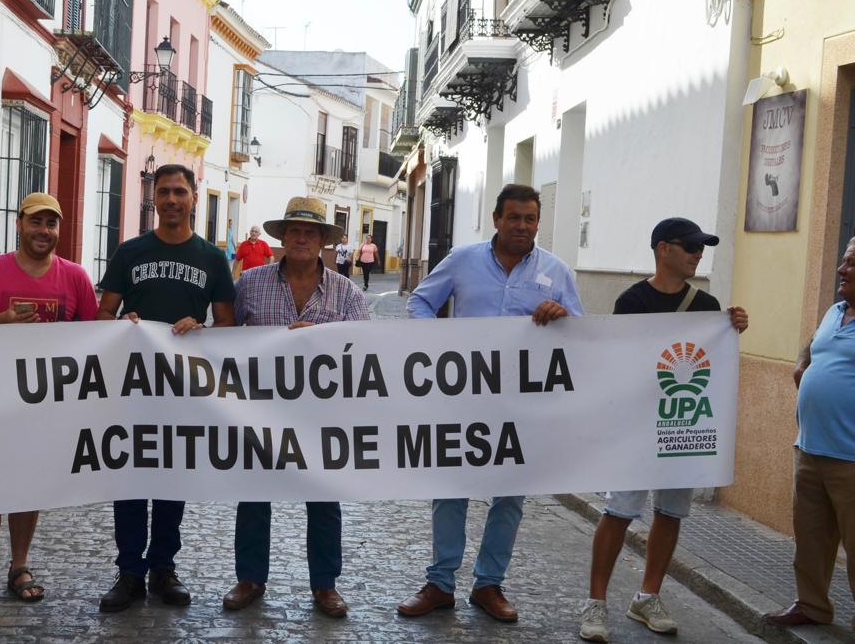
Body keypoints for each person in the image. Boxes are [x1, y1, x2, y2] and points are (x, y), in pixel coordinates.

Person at [397, 183, 583, 624]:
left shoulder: (556, 272)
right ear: (497, 219)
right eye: (514, 217)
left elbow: (580, 332)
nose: (522, 226)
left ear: (539, 222)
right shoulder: (463, 259)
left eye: (530, 219)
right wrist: (441, 343)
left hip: (521, 405)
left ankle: (488, 585)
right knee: (449, 491)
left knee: (509, 497)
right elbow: (421, 303)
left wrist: (563, 317)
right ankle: (440, 583)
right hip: (462, 399)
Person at [579, 217, 749, 642]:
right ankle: (595, 604)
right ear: (663, 250)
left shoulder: (708, 307)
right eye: (690, 247)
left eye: (701, 248)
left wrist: (733, 327)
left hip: (681, 424)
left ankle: (647, 596)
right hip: (637, 428)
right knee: (618, 512)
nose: (698, 254)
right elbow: (618, 362)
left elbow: (710, 362)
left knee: (671, 513)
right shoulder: (632, 301)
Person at [0, 192, 98, 611]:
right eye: (35, 222)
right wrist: (2, 322)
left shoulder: (76, 277)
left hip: (44, 407)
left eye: (51, 224)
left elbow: (94, 339)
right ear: (18, 224)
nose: (43, 231)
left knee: (28, 485)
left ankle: (20, 566)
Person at [95, 164, 236, 613]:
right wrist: (124, 325)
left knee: (173, 478)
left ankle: (164, 568)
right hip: (133, 387)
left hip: (184, 387)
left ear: (194, 197)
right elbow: (103, 316)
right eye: (164, 192)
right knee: (130, 477)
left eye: (180, 191)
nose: (172, 199)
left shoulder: (213, 259)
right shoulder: (129, 253)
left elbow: (228, 323)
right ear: (153, 198)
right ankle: (129, 571)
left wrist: (202, 327)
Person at [222, 197, 368, 619]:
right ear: (282, 238)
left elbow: (365, 353)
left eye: (310, 232)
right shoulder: (250, 284)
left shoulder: (346, 293)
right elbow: (227, 338)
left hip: (322, 419)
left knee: (324, 499)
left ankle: (325, 585)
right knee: (253, 496)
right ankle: (250, 578)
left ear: (323, 240)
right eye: (294, 231)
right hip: (261, 412)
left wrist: (319, 341)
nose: (301, 238)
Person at [764, 236, 855, 631]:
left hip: (851, 458)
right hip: (811, 449)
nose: (841, 269)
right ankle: (813, 606)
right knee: (811, 541)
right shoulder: (836, 312)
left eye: (851, 264)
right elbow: (812, 344)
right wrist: (803, 362)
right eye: (843, 261)